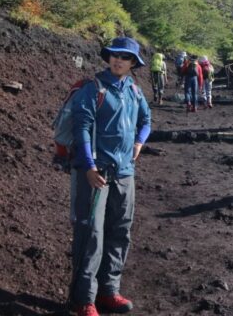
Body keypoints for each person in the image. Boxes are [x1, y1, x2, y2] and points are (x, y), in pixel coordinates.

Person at [69, 36, 151, 316]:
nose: (118, 60)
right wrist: (89, 166)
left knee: (119, 232)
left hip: (125, 172)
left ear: (133, 63)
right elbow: (81, 128)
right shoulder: (94, 88)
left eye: (125, 57)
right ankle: (83, 300)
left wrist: (139, 142)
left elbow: (146, 120)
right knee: (90, 234)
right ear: (108, 57)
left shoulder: (134, 91)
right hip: (96, 172)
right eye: (115, 54)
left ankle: (108, 292)